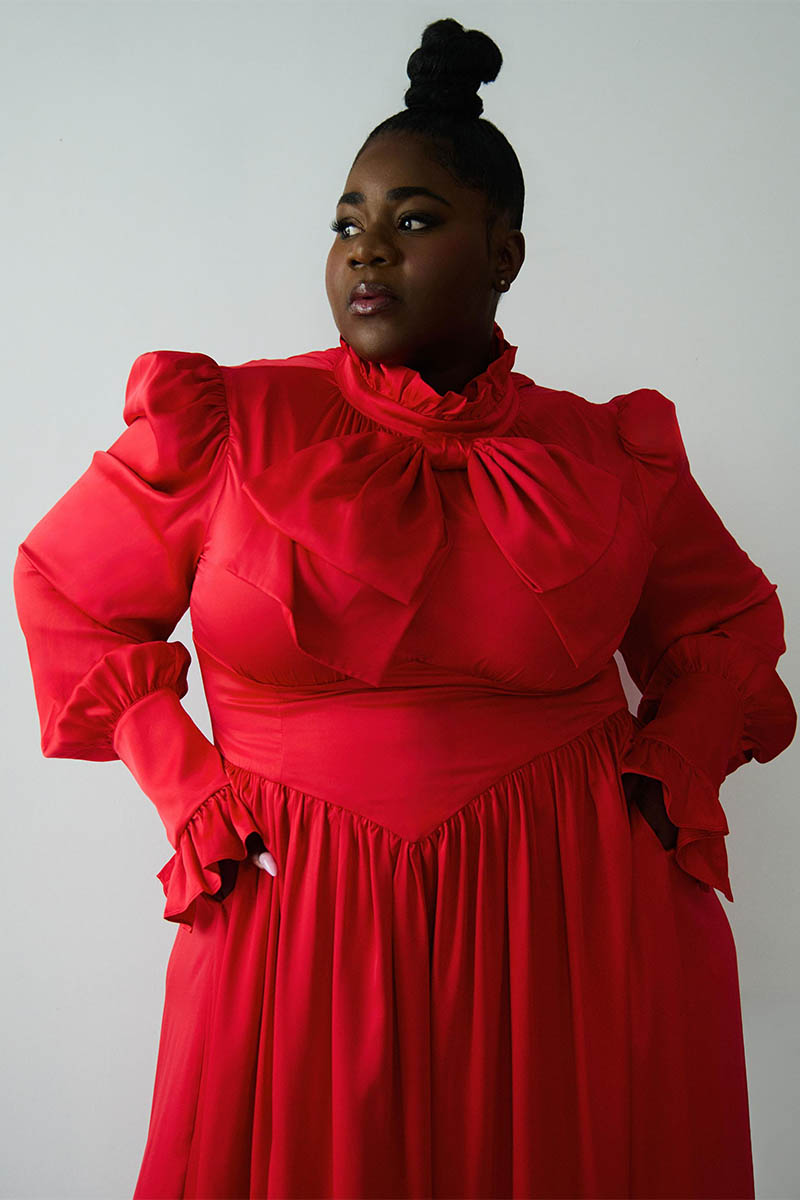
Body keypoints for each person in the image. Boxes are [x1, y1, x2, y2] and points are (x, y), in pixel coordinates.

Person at [12, 16, 796, 1200]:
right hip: (289, 909)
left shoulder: (603, 452)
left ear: (504, 252)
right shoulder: (229, 426)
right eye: (346, 224)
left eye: (413, 220)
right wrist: (188, 791)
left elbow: (724, 627)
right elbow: (68, 593)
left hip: (571, 918)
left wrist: (670, 766)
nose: (365, 252)